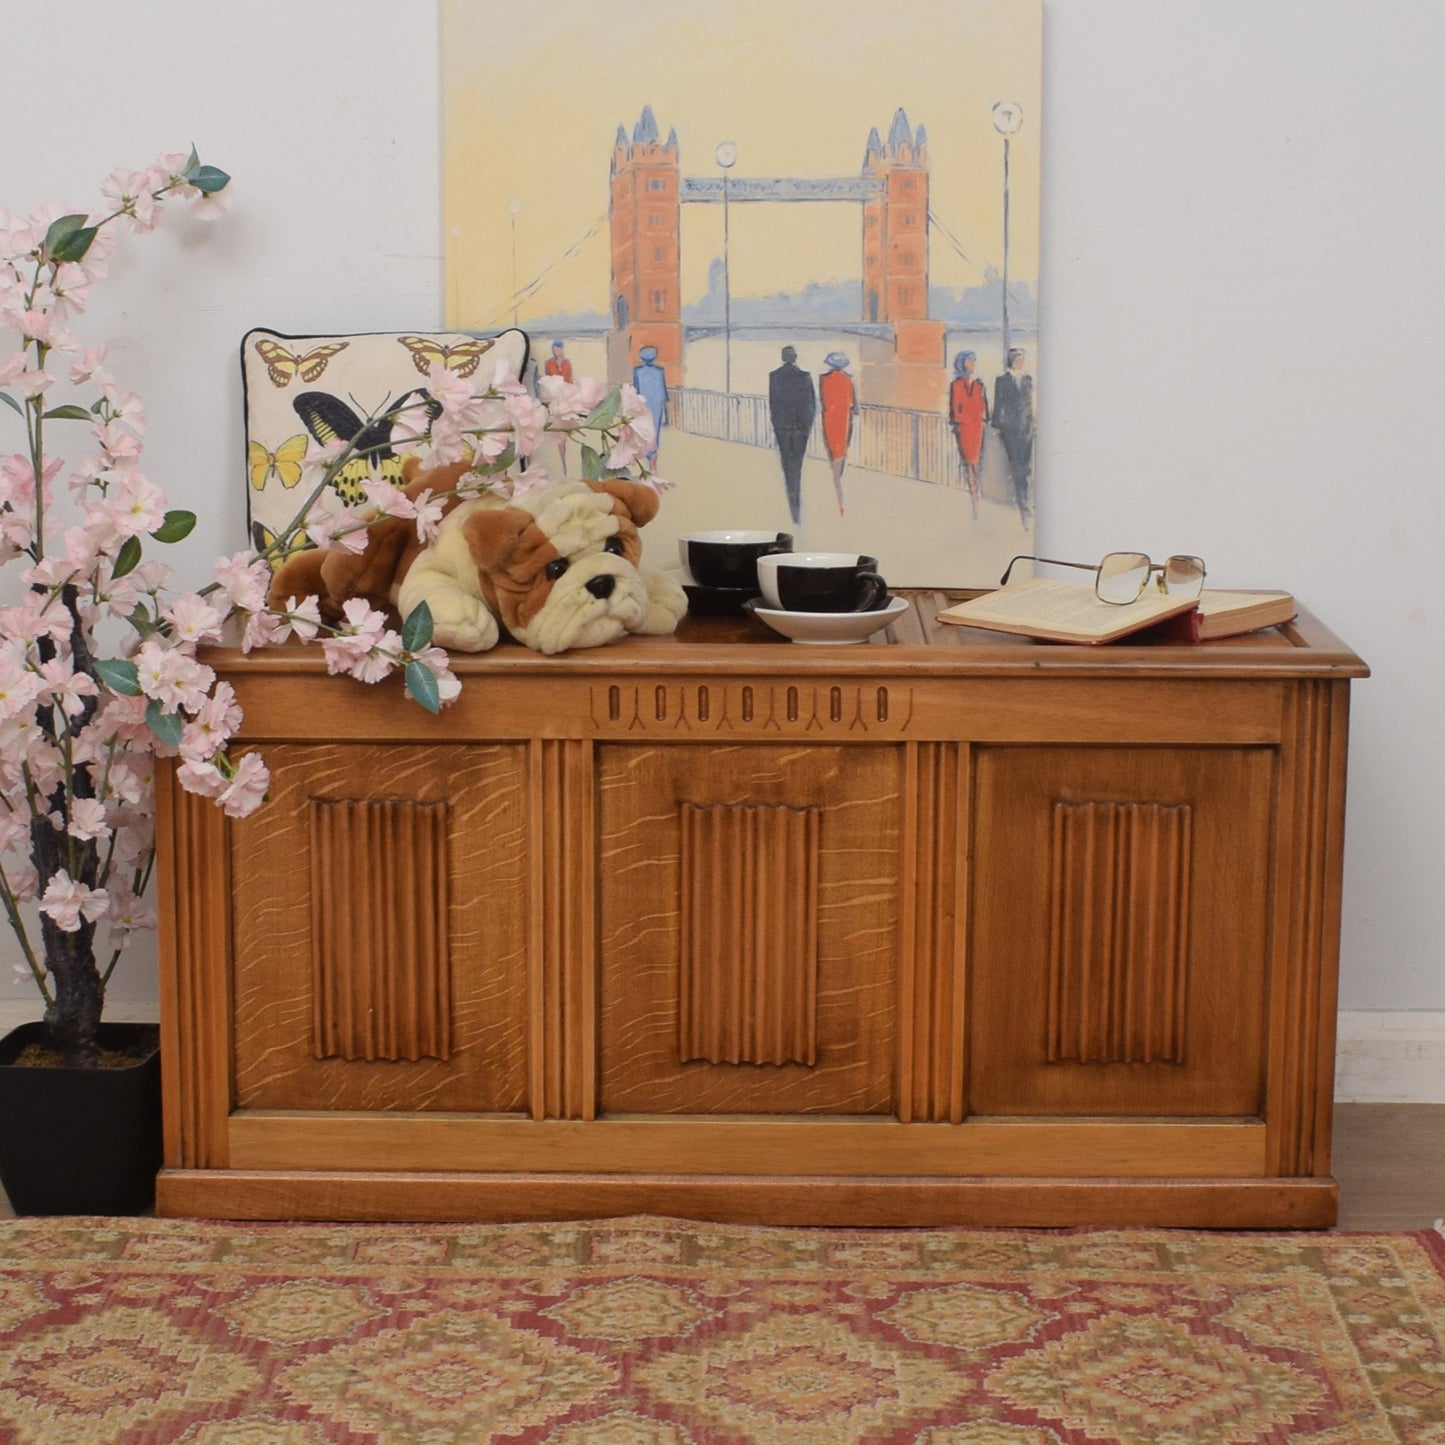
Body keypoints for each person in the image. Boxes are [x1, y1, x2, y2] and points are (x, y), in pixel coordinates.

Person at [767, 345, 816, 525]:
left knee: (787, 465)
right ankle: (796, 508)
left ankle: (793, 506)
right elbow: (810, 406)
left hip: (783, 429)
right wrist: (805, 428)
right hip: (800, 430)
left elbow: (774, 406)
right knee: (797, 466)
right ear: (795, 357)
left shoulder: (774, 377)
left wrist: (778, 426)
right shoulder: (804, 377)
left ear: (782, 357)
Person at [992, 346, 1035, 526]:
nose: (1021, 362)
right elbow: (998, 405)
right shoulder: (1003, 381)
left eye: (1023, 359)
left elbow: (1030, 405)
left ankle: (1025, 502)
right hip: (1010, 432)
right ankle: (1023, 505)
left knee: (1025, 468)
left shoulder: (1028, 380)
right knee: (1017, 468)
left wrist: (1032, 425)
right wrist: (1000, 426)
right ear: (1013, 361)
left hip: (1026, 431)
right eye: (1019, 359)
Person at [948, 350, 989, 515]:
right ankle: (975, 500)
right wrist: (969, 417)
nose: (972, 364)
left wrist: (980, 418)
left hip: (978, 429)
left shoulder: (979, 385)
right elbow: (956, 412)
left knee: (977, 464)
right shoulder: (956, 385)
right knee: (970, 465)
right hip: (965, 430)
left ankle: (977, 499)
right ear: (963, 364)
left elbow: (984, 409)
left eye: (974, 361)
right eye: (970, 361)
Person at [819, 352, 858, 515]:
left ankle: (836, 479)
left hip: (829, 417)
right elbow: (853, 405)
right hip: (843, 418)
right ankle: (838, 478)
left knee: (831, 448)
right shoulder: (848, 380)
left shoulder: (823, 379)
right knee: (842, 447)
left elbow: (822, 400)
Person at [631, 345, 668, 464]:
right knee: (655, 430)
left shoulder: (637, 370)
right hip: (657, 402)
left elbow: (636, 389)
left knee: (645, 429)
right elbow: (664, 389)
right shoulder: (660, 370)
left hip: (644, 402)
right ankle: (652, 458)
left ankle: (648, 455)